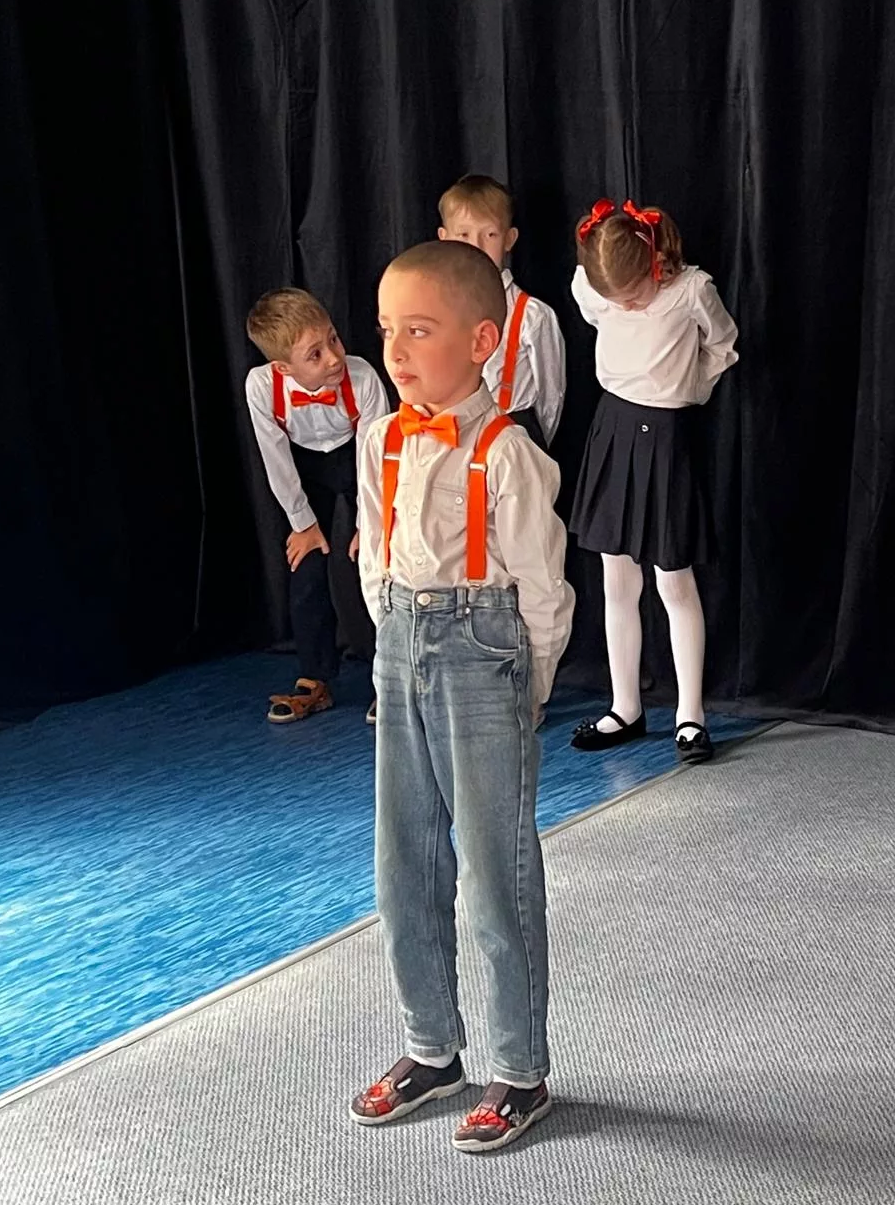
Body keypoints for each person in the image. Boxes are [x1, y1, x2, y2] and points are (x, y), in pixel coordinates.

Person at [350, 239, 573, 1151]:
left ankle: (519, 1069)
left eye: (420, 330)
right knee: (403, 861)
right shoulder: (378, 440)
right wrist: (392, 639)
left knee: (493, 870)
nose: (396, 351)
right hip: (401, 644)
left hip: (484, 655)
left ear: (482, 341)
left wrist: (528, 688)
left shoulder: (507, 452)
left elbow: (544, 590)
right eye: (387, 331)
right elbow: (375, 550)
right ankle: (431, 1047)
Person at [566, 198, 738, 763]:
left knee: (673, 581)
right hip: (612, 428)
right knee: (616, 579)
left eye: (633, 295)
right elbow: (598, 309)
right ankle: (625, 707)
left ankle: (691, 716)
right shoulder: (591, 286)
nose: (626, 306)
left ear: (656, 264)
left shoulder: (691, 290)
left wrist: (692, 390)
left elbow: (722, 345)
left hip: (667, 435)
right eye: (616, 300)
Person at [243, 288, 387, 723]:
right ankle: (315, 678)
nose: (334, 358)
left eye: (333, 340)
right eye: (315, 354)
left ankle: (389, 678)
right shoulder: (262, 387)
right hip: (304, 465)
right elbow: (275, 459)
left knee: (369, 560)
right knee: (306, 566)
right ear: (283, 368)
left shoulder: (362, 378)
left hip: (356, 458)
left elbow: (376, 457)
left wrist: (369, 522)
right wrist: (303, 522)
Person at [436, 173, 566, 451]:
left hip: (514, 435)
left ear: (509, 239)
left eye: (490, 234)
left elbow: (551, 397)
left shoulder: (533, 315)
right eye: (464, 234)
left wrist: (531, 441)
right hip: (453, 436)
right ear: (444, 238)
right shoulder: (434, 308)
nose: (477, 246)